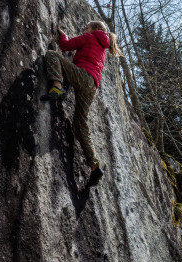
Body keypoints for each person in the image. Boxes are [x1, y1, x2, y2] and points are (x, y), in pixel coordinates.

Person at [40, 21, 123, 187]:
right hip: (91, 85)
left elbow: (65, 46)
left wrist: (62, 34)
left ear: (93, 29)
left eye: (86, 28)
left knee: (52, 55)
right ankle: (94, 166)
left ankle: (57, 88)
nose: (84, 30)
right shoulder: (103, 45)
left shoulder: (90, 36)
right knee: (80, 124)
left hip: (83, 76)